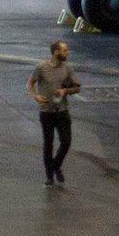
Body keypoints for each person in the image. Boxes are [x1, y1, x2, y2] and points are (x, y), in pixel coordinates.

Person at [28, 39, 81, 184]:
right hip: (46, 112)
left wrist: (65, 91)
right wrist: (35, 96)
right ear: (56, 52)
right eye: (64, 50)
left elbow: (77, 87)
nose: (67, 53)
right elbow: (30, 83)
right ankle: (49, 175)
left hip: (62, 111)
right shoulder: (41, 68)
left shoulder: (68, 68)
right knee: (48, 143)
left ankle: (55, 165)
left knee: (66, 142)